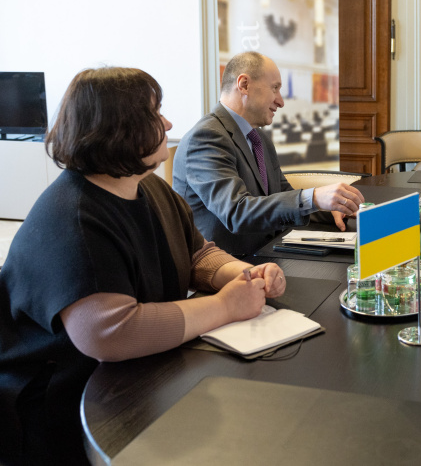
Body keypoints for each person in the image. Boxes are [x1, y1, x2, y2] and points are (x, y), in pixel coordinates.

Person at [0, 67, 285, 466]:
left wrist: (241, 275)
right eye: (156, 114)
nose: (168, 123)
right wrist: (225, 306)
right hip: (58, 407)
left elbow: (197, 254)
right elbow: (113, 332)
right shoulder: (75, 218)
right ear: (118, 129)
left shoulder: (147, 186)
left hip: (131, 378)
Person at [172, 51, 365, 256]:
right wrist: (315, 197)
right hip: (223, 272)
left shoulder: (258, 138)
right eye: (275, 88)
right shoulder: (206, 137)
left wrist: (329, 209)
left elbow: (280, 197)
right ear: (244, 85)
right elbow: (237, 212)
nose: (281, 101)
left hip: (265, 258)